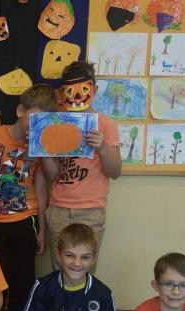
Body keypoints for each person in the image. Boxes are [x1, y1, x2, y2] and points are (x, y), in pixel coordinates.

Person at [0, 83, 55, 311]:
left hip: (24, 220)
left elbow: (43, 184)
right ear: (20, 110)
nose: (37, 125)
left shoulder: (39, 145)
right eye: (34, 117)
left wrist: (42, 228)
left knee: (22, 280)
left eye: (44, 121)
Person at [40, 61, 122, 271]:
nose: (76, 96)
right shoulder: (56, 123)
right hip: (58, 208)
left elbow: (115, 172)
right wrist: (44, 149)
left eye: (83, 89)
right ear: (62, 93)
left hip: (90, 210)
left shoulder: (105, 124)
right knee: (59, 270)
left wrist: (102, 147)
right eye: (70, 90)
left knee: (84, 270)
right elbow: (53, 174)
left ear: (94, 90)